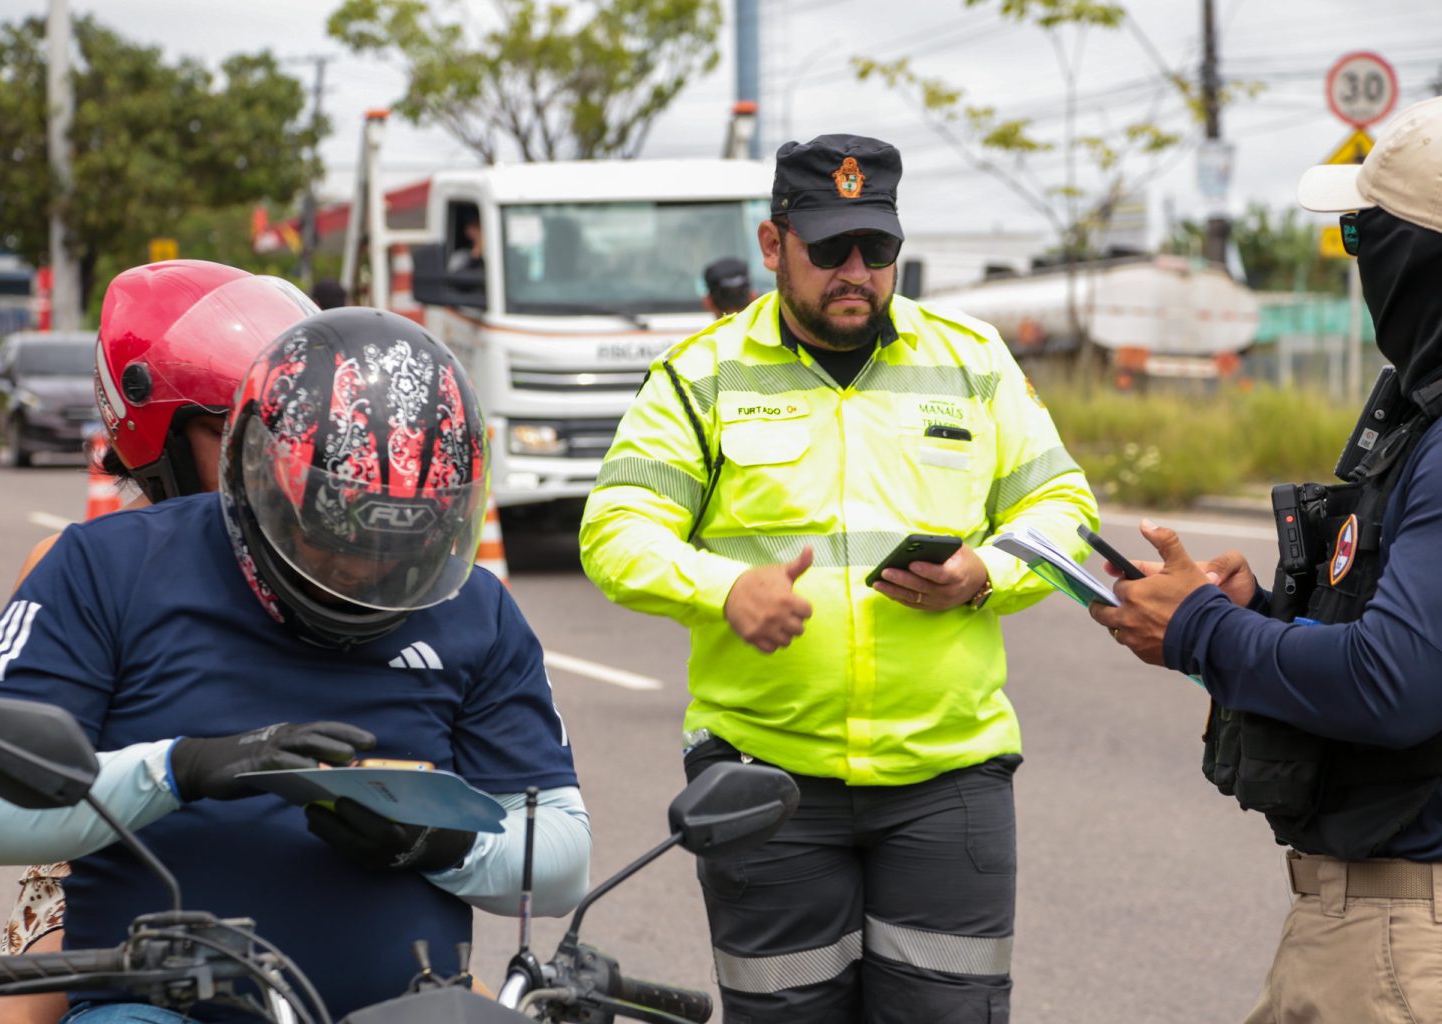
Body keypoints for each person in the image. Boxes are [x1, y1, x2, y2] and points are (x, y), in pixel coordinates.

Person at [0, 308, 591, 1022]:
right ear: (258, 481)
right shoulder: (105, 569)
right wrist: (181, 770)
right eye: (335, 536)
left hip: (404, 1009)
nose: (366, 572)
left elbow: (560, 855)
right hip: (159, 1009)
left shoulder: (478, 611)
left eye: (403, 548)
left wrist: (445, 845)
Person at [579, 133, 1098, 1023]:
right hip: (765, 782)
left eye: (878, 248)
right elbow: (616, 528)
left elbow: (1061, 503)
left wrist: (984, 572)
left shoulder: (971, 360)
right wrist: (723, 590)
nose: (856, 270)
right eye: (829, 249)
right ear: (772, 244)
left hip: (948, 779)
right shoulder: (700, 376)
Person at [1090, 95, 1442, 1024]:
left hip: (1402, 936)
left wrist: (1200, 629)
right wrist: (1265, 618)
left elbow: (1393, 684)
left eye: (1362, 234)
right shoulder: (1421, 418)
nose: (1355, 260)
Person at [0, 260, 326, 1024]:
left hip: (322, 869)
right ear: (159, 429)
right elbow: (13, 775)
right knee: (28, 996)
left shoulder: (347, 568)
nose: (277, 461)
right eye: (234, 431)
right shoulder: (82, 569)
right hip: (123, 879)